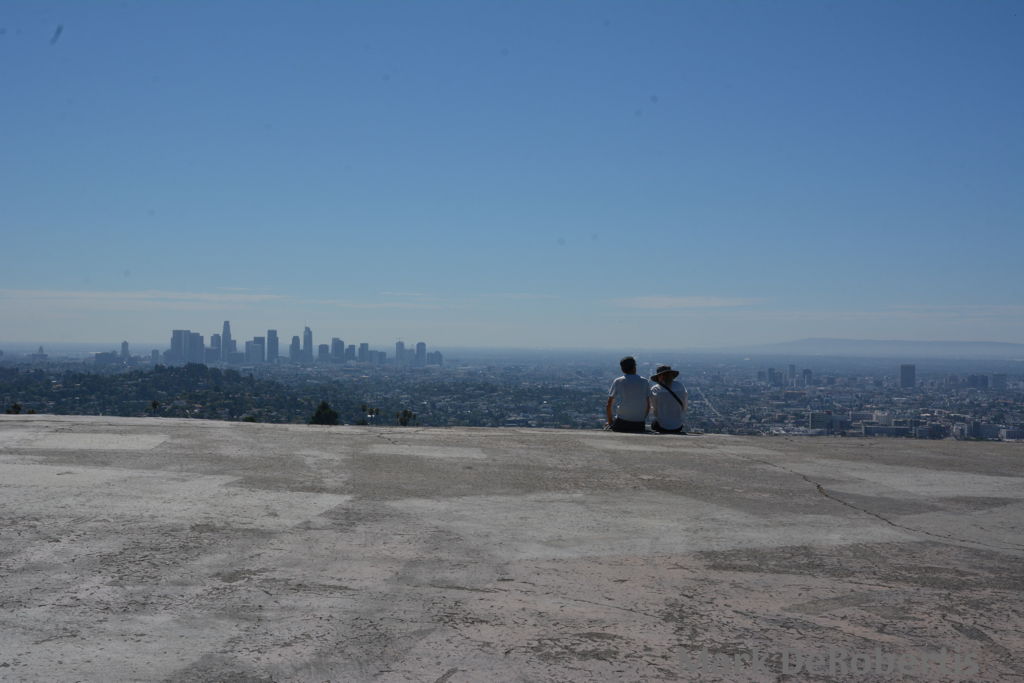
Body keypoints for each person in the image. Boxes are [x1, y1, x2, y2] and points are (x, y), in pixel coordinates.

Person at [606, 356, 649, 432]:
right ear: (634, 367)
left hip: (622, 422)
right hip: (639, 424)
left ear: (622, 369)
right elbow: (648, 404)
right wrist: (642, 418)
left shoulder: (618, 381)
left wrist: (610, 421)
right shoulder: (644, 381)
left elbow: (609, 403)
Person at [649, 365, 687, 434]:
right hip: (678, 426)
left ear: (660, 377)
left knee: (653, 423)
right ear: (672, 375)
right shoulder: (680, 386)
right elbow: (684, 406)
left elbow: (654, 410)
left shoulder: (655, 389)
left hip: (662, 426)